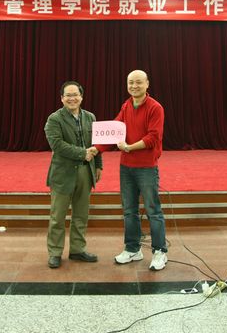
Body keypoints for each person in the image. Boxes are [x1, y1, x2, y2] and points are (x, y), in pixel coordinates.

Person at [112, 69, 168, 271]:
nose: (134, 86)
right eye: (130, 83)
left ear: (147, 84)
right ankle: (133, 249)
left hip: (146, 168)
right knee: (129, 211)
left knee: (153, 210)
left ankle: (160, 251)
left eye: (138, 82)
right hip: (126, 167)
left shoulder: (155, 107)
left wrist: (129, 147)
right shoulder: (126, 105)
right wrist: (96, 147)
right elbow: (115, 128)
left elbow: (153, 137)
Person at [44, 81, 102, 269]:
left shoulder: (90, 117)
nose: (72, 98)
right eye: (68, 95)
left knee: (81, 215)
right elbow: (57, 145)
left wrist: (98, 165)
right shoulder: (54, 119)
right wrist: (82, 153)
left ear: (81, 97)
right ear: (62, 98)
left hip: (86, 172)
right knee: (57, 217)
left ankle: (77, 249)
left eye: (75, 94)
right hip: (63, 173)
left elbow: (97, 143)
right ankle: (55, 252)